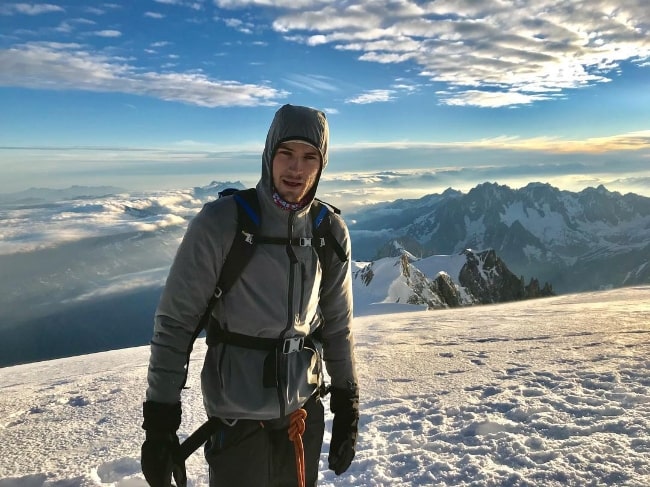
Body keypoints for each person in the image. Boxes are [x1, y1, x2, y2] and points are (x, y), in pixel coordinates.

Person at [140, 104, 359, 487]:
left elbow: (338, 326)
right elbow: (175, 325)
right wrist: (160, 424)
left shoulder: (330, 232)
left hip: (302, 419)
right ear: (268, 154)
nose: (297, 168)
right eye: (286, 153)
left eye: (310, 157)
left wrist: (346, 407)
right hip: (237, 425)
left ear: (321, 165)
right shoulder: (222, 223)